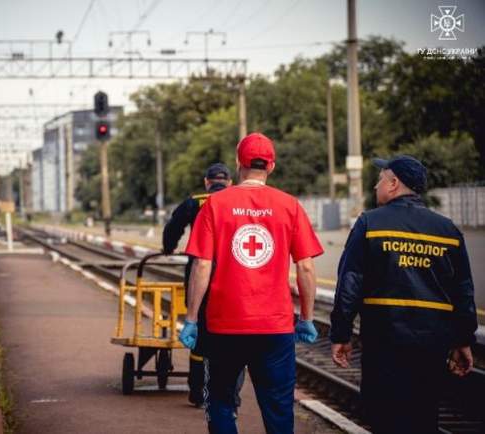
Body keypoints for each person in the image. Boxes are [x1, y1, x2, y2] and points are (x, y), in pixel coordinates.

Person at [179, 133, 323, 433]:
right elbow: (306, 268)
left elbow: (202, 265)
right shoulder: (290, 206)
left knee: (220, 402)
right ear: (271, 166)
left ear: (238, 163)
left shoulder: (215, 205)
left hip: (224, 326)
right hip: (275, 328)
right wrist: (307, 318)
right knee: (279, 408)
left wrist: (192, 318)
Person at [330, 155, 477, 434]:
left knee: (383, 415)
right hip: (431, 343)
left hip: (384, 340)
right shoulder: (448, 230)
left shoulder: (369, 224)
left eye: (380, 179)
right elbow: (463, 291)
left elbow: (350, 283)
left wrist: (341, 334)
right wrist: (463, 340)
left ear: (394, 183)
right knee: (423, 415)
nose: (376, 186)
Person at [163, 163, 235, 407]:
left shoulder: (195, 202)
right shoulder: (235, 200)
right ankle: (229, 395)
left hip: (198, 273)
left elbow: (173, 226)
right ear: (229, 183)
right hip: (231, 275)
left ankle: (197, 392)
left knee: (199, 334)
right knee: (229, 335)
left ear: (207, 182)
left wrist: (168, 247)